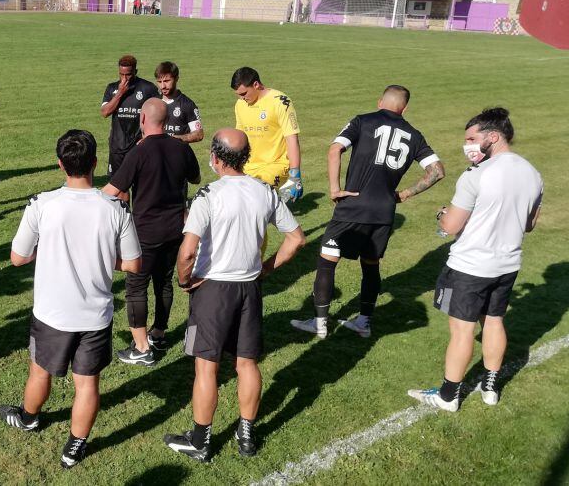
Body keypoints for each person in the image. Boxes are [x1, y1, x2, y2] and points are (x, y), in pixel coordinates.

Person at [0, 129, 142, 469]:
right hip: (95, 316)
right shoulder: (116, 209)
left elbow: (18, 258)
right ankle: (75, 447)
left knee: (39, 372)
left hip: (51, 314)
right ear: (95, 163)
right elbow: (134, 264)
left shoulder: (42, 204)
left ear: (61, 164)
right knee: (87, 384)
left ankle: (29, 417)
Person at [164, 129, 306, 461]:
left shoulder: (208, 195)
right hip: (249, 286)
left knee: (206, 366)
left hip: (213, 289)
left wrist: (185, 281)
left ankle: (200, 441)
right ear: (247, 157)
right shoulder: (264, 191)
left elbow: (187, 253)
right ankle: (246, 434)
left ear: (214, 157)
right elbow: (296, 239)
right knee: (247, 363)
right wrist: (265, 268)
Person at [409, 108, 543, 411]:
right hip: (507, 264)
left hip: (470, 266)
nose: (467, 144)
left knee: (463, 330)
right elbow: (529, 224)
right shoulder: (532, 173)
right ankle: (490, 387)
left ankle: (448, 396)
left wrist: (442, 215)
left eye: (472, 138)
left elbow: (451, 226)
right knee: (494, 321)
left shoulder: (477, 175)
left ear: (493, 137)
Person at [291, 85, 444, 339]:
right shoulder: (414, 135)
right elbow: (438, 171)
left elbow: (334, 149)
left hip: (352, 207)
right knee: (371, 266)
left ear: (379, 101)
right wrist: (403, 194)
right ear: (404, 108)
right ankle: (363, 323)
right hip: (383, 213)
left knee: (327, 261)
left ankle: (319, 324)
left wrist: (334, 189)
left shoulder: (362, 121)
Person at [103, 98, 200, 367]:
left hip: (145, 232)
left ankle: (142, 348)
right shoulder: (181, 148)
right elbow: (196, 178)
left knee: (136, 288)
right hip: (176, 230)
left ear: (142, 120)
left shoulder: (139, 151)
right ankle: (159, 333)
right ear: (167, 120)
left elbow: (112, 190)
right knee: (164, 282)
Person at [231, 67, 302, 199]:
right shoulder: (240, 105)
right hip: (249, 166)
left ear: (256, 85)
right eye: (238, 95)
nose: (241, 98)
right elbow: (240, 136)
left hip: (276, 164)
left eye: (244, 93)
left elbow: (292, 138)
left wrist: (295, 174)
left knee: (254, 194)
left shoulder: (280, 102)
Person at [100, 55, 160, 179]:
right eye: (121, 74)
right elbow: (105, 112)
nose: (124, 78)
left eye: (128, 74)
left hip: (139, 146)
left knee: (141, 184)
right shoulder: (112, 88)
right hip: (117, 146)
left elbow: (159, 115)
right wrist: (120, 93)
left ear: (135, 72)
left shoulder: (148, 88)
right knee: (117, 186)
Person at [155, 61, 204, 144]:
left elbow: (199, 134)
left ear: (176, 78)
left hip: (177, 154)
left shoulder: (187, 104)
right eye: (159, 82)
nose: (163, 86)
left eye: (167, 81)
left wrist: (175, 139)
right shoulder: (154, 102)